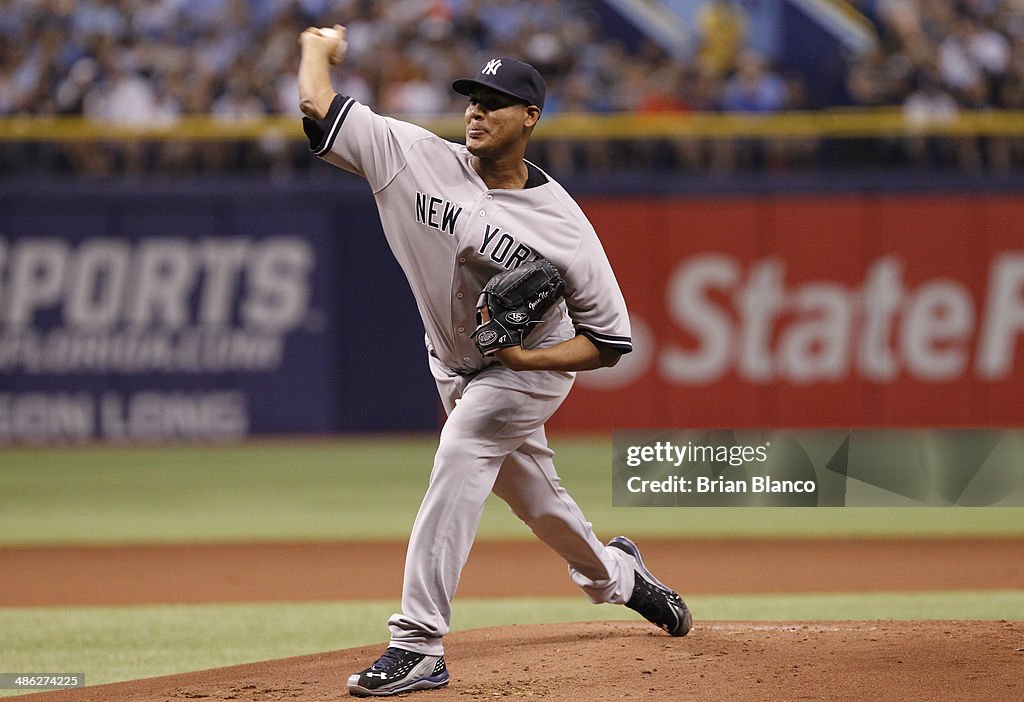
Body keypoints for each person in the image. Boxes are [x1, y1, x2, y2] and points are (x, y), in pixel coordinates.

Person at [297, 24, 692, 698]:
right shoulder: (412, 155)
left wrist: (525, 358)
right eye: (472, 98)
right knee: (539, 503)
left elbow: (610, 342)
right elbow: (317, 105)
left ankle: (418, 643)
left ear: (530, 117)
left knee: (462, 450)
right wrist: (316, 47)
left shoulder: (563, 225)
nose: (477, 110)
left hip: (527, 372)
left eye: (495, 100)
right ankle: (616, 576)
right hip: (452, 366)